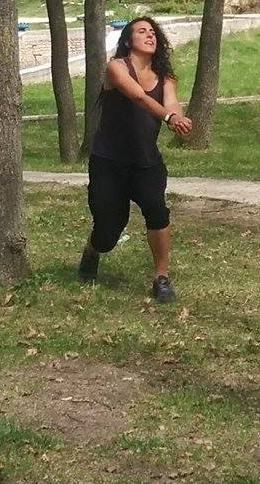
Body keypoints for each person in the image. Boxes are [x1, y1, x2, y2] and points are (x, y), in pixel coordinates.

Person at [80, 16, 192, 303]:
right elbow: (139, 97)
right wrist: (169, 118)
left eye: (153, 32)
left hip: (146, 161)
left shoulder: (165, 77)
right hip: (108, 162)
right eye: (142, 31)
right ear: (129, 40)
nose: (150, 35)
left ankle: (161, 278)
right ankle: (93, 249)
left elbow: (171, 103)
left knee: (157, 211)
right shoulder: (116, 67)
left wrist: (178, 118)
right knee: (109, 231)